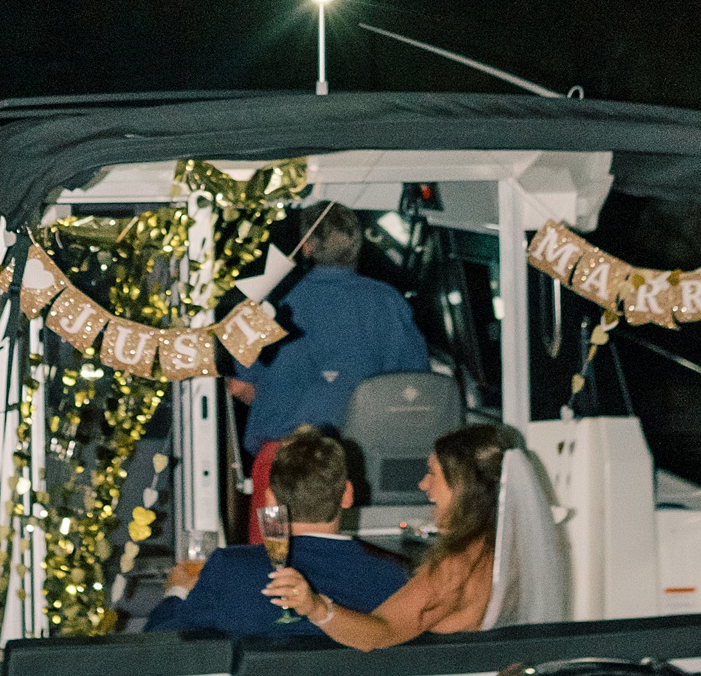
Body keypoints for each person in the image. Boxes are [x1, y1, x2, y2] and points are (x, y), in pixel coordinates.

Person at [264, 424, 513, 649]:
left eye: (432, 473)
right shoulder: (497, 548)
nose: (423, 484)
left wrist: (316, 608)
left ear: (461, 486)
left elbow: (381, 633)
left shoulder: (456, 566)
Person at [142, 429, 408, 638]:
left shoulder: (230, 569)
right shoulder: (391, 576)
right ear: (348, 495)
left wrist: (176, 591)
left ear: (270, 501)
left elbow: (161, 641)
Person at [232, 202, 431, 459]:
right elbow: (414, 382)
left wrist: (284, 403)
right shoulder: (389, 301)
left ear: (306, 247)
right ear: (357, 246)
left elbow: (238, 386)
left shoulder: (266, 302)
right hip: (359, 458)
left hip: (284, 459)